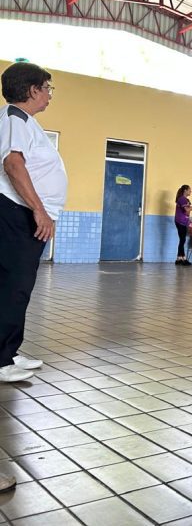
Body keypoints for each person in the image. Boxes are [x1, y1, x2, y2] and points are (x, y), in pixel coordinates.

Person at [0, 62, 66, 384]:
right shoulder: (15, 117)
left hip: (18, 213)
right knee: (15, 287)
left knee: (15, 287)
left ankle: (7, 353)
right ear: (32, 90)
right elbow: (13, 164)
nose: (50, 95)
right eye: (47, 88)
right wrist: (39, 210)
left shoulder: (24, 122)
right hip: (16, 213)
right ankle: (1, 360)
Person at [174, 185, 192, 265]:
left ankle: (179, 258)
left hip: (184, 221)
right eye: (189, 190)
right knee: (182, 240)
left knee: (182, 240)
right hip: (180, 222)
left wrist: (190, 221)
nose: (191, 191)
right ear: (185, 190)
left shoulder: (186, 200)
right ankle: (183, 259)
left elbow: (186, 214)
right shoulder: (182, 199)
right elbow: (187, 210)